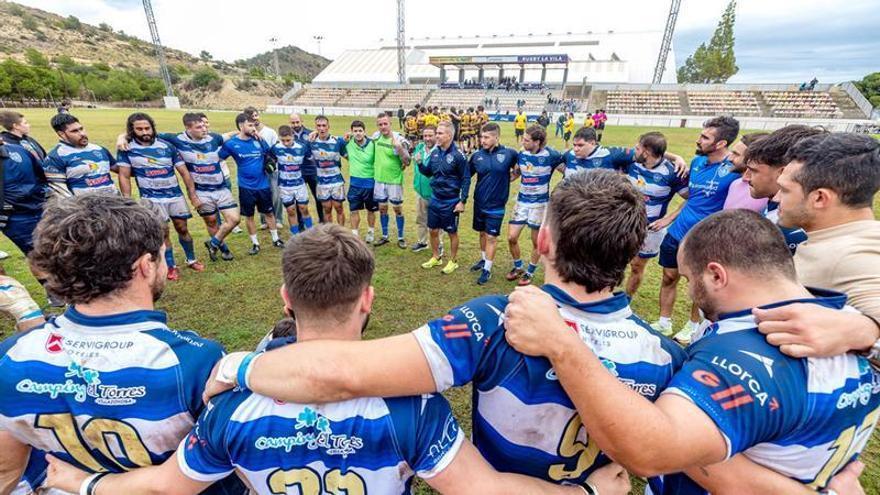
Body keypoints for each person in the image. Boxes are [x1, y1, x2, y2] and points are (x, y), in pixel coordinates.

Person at [42, 224, 624, 495]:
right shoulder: (415, 409)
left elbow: (167, 488)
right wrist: (592, 492)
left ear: (285, 299)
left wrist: (77, 481)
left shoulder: (228, 406)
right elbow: (486, 493)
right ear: (368, 299)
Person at [201, 171, 693, 492]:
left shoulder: (492, 322)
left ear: (542, 240)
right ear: (632, 256)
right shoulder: (666, 354)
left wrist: (239, 364)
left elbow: (342, 372)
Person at [501, 209, 880, 494]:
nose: (689, 291)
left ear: (716, 275)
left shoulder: (745, 355)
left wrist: (562, 343)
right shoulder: (848, 325)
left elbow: (651, 450)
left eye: (688, 279)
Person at [0, 195, 243, 495]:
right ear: (144, 265)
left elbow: (6, 468)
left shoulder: (11, 356)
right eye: (162, 255)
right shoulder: (195, 362)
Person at [652, 117, 740, 344]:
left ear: (721, 143)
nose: (698, 140)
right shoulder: (697, 163)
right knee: (669, 276)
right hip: (677, 232)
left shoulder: (733, 170)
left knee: (700, 285)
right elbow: (692, 199)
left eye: (705, 137)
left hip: (705, 238)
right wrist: (669, 219)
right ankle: (664, 321)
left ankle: (692, 326)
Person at [777, 132, 880, 321]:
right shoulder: (835, 238)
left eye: (784, 191)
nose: (776, 198)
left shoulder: (853, 256)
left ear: (819, 198)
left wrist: (870, 329)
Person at [116, 112, 204, 281]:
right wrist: (127, 201)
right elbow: (124, 176)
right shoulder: (127, 149)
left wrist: (192, 195)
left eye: (147, 128)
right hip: (151, 199)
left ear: (152, 127)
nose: (144, 132)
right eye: (139, 129)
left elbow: (184, 172)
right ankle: (171, 266)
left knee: (182, 228)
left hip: (174, 196)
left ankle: (191, 259)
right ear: (132, 130)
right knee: (163, 233)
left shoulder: (167, 146)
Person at [146, 113, 240, 262]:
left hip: (221, 188)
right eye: (199, 127)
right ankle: (223, 249)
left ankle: (213, 243)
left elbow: (229, 134)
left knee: (234, 219)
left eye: (204, 125)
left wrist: (244, 130)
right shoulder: (176, 139)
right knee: (211, 221)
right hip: (201, 191)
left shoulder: (213, 138)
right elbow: (147, 134)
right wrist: (122, 138)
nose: (204, 129)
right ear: (188, 128)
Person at [624, 132, 689, 298]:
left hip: (650, 229)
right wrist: (677, 156)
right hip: (623, 224)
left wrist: (668, 218)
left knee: (637, 265)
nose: (634, 150)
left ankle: (627, 299)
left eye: (638, 148)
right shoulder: (631, 161)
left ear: (646, 152)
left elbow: (694, 199)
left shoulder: (673, 173)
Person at [742, 125, 826, 253]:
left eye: (753, 171)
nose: (746, 177)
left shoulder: (794, 228)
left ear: (784, 172)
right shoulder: (773, 209)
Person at [507, 125, 564, 286]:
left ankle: (530, 271)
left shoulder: (551, 155)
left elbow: (567, 171)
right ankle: (518, 266)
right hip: (522, 202)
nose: (523, 142)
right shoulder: (522, 153)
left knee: (536, 242)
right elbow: (517, 173)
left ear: (537, 142)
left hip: (540, 205)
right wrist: (504, 179)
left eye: (526, 140)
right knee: (512, 237)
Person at [219, 113, 283, 255]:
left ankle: (276, 239)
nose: (254, 127)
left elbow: (272, 154)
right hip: (246, 186)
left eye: (254, 125)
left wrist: (270, 163)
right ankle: (255, 244)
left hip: (263, 185)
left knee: (269, 213)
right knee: (249, 216)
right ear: (241, 126)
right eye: (250, 125)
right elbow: (218, 158)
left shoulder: (259, 140)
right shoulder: (231, 144)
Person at [467, 123, 519, 285]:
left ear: (497, 137)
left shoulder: (510, 154)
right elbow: (467, 175)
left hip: (497, 205)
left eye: (486, 137)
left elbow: (520, 169)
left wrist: (511, 178)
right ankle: (483, 259)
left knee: (491, 237)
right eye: (481, 137)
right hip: (479, 202)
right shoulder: (476, 156)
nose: (483, 140)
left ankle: (487, 270)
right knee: (482, 233)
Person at [418, 121, 469, 275]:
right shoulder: (435, 152)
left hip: (451, 201)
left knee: (451, 232)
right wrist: (420, 163)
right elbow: (428, 172)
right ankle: (436, 257)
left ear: (449, 135)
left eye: (440, 133)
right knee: (432, 230)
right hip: (435, 199)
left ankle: (453, 261)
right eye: (437, 133)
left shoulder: (458, 155)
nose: (437, 136)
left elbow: (466, 179)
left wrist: (462, 201)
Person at [43, 113, 117, 197]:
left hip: (113, 205)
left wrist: (125, 137)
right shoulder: (55, 157)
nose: (82, 134)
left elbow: (125, 170)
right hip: (83, 208)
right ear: (61, 134)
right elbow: (61, 194)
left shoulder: (99, 149)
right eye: (75, 131)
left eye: (81, 129)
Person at [372, 113, 410, 248]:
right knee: (382, 209)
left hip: (394, 180)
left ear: (390, 124)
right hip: (379, 179)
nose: (383, 127)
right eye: (380, 124)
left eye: (385, 123)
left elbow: (407, 161)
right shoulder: (376, 137)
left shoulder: (399, 139)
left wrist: (399, 148)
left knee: (397, 209)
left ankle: (400, 237)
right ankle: (385, 236)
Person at [268, 125, 313, 236]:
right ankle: (295, 236)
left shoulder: (302, 147)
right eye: (283, 140)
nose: (286, 143)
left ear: (293, 136)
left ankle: (312, 233)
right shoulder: (275, 148)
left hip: (299, 184)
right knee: (290, 210)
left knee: (303, 208)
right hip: (284, 185)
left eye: (288, 140)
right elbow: (270, 160)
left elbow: (311, 159)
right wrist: (270, 165)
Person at [243, 107, 283, 230]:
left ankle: (278, 219)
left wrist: (271, 163)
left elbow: (276, 149)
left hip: (272, 169)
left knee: (275, 195)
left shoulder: (269, 132)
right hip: (257, 171)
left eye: (256, 115)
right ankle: (264, 220)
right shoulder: (246, 135)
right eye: (251, 117)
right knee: (262, 195)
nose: (255, 118)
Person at [307, 115, 348, 226]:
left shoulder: (338, 141)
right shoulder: (311, 141)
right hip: (321, 181)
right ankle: (330, 233)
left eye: (324, 125)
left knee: (339, 208)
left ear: (328, 126)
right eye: (319, 126)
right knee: (327, 208)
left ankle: (340, 232)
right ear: (315, 127)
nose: (321, 128)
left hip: (336, 180)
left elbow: (349, 156)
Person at [344, 120, 378, 242]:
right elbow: (328, 137)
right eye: (355, 131)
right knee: (353, 210)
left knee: (371, 210)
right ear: (352, 132)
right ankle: (354, 235)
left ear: (364, 132)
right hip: (354, 184)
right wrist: (315, 132)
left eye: (360, 131)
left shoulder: (373, 144)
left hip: (370, 183)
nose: (358, 133)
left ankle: (371, 232)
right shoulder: (347, 142)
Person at [288, 113, 323, 226]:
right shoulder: (288, 136)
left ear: (302, 121)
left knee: (319, 197)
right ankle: (301, 223)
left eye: (297, 122)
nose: (295, 124)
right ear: (290, 123)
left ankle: (322, 221)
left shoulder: (310, 134)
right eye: (293, 122)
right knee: (299, 199)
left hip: (312, 170)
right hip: (297, 172)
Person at [722, 132, 770, 212]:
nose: (729, 159)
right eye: (732, 152)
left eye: (736, 154)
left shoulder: (765, 192)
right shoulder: (735, 184)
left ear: (752, 159)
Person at [411, 125, 439, 253]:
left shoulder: (440, 151)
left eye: (430, 136)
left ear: (436, 136)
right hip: (420, 191)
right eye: (425, 136)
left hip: (435, 193)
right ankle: (422, 242)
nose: (427, 138)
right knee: (421, 218)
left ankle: (439, 244)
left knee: (437, 222)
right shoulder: (419, 148)